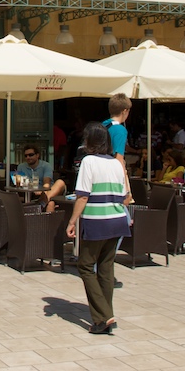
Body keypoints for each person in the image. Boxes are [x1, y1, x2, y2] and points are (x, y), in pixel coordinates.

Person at [67, 122, 130, 335]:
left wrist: (72, 220)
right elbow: (125, 196)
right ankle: (106, 313)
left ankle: (103, 315)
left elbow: (83, 195)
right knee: (105, 267)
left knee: (85, 266)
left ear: (89, 141)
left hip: (97, 222)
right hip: (117, 220)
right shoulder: (116, 163)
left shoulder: (88, 162)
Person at [14, 145, 68, 212]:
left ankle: (42, 203)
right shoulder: (21, 166)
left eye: (31, 155)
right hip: (31, 193)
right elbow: (20, 184)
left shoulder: (46, 165)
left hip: (48, 191)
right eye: (26, 156)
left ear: (37, 155)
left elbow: (47, 183)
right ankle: (43, 205)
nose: (28, 157)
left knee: (60, 182)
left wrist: (42, 192)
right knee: (51, 203)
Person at [103, 94, 131, 168]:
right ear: (124, 111)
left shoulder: (102, 125)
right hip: (110, 171)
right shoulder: (120, 130)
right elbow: (119, 159)